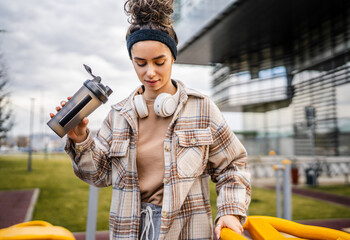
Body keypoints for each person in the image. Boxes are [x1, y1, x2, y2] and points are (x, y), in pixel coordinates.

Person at [50, 0, 251, 239]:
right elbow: (99, 175)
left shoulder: (202, 109)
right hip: (130, 230)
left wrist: (230, 211)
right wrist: (80, 138)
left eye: (159, 61)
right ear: (132, 60)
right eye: (141, 63)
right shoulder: (118, 115)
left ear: (173, 57)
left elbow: (233, 166)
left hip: (186, 231)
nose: (150, 72)